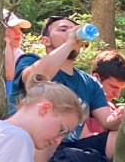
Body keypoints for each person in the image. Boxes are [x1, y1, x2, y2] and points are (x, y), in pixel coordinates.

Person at [14, 16, 114, 150]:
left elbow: (107, 121)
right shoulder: (30, 61)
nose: (70, 33)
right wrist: (69, 43)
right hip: (35, 142)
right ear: (46, 41)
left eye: (73, 30)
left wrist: (119, 119)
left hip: (71, 149)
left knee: (121, 137)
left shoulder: (90, 83)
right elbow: (34, 78)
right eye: (63, 29)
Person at [86, 51, 125, 159]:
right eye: (114, 87)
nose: (117, 94)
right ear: (96, 78)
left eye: (121, 89)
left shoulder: (111, 108)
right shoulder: (79, 103)